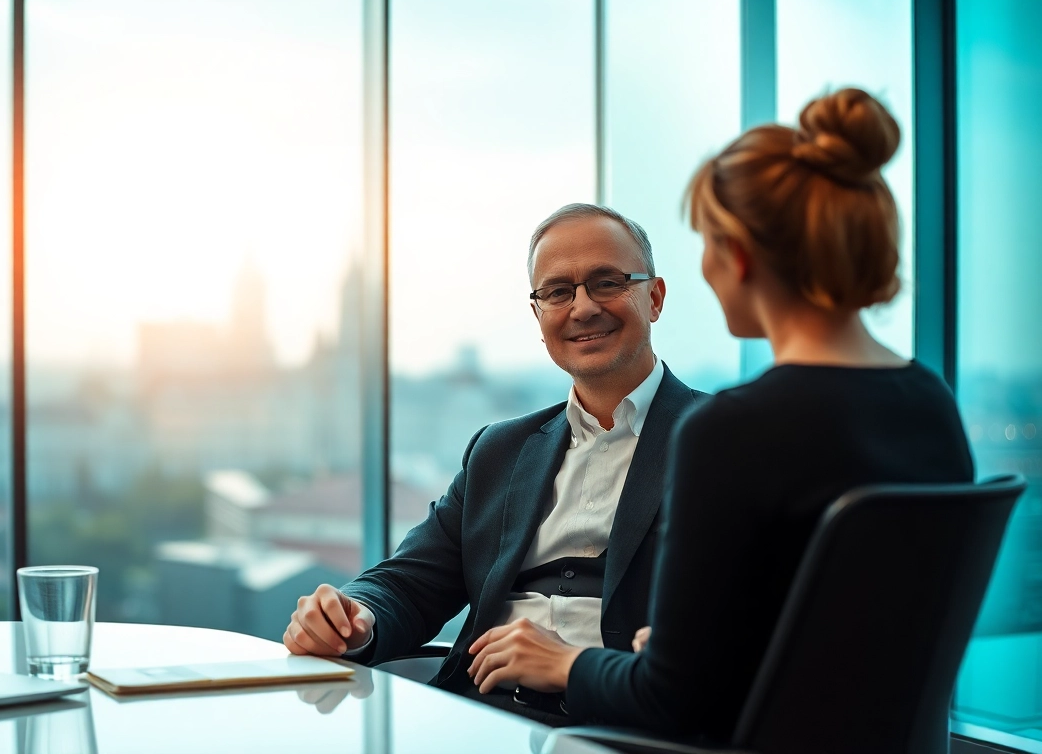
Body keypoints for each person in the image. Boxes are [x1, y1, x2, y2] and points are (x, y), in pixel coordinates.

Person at [462, 88, 975, 738]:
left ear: (738, 257)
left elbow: (677, 704)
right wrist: (701, 658)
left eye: (707, 243)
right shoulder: (931, 403)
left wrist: (569, 664)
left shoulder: (730, 432)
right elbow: (855, 638)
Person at [285, 202, 707, 724]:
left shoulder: (724, 442)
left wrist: (578, 666)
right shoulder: (500, 449)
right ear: (538, 314)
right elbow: (409, 581)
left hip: (625, 727)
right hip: (481, 718)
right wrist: (354, 615)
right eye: (558, 292)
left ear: (655, 297)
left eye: (606, 282)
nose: (581, 308)